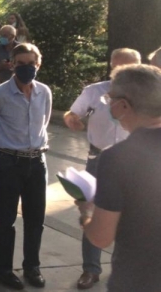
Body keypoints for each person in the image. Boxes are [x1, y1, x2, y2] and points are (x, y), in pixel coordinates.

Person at [75, 64, 161, 292]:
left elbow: (101, 237)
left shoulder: (117, 158)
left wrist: (86, 212)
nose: (108, 105)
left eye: (109, 99)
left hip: (138, 279)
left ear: (123, 105)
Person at [63, 48, 141, 290]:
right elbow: (73, 112)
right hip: (99, 160)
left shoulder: (148, 95)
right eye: (117, 68)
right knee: (93, 212)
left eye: (127, 69)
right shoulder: (95, 91)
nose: (121, 74)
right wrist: (71, 119)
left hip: (135, 162)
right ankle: (91, 269)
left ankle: (123, 268)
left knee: (131, 218)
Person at [0, 43, 52, 290]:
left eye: (30, 64)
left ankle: (32, 267)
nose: (25, 69)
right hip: (8, 162)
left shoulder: (44, 93)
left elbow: (44, 123)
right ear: (12, 64)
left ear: (38, 65)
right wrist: (0, 149)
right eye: (20, 64)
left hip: (37, 162)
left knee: (35, 219)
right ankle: (3, 270)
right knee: (5, 219)